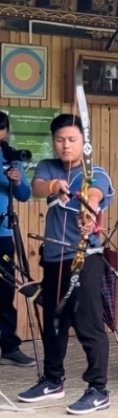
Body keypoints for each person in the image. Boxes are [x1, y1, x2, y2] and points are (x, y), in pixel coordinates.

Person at [18, 114, 114, 414]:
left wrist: (90, 212)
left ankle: (98, 389)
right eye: (60, 140)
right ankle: (52, 381)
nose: (65, 145)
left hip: (85, 257)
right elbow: (36, 187)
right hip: (53, 258)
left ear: (84, 143)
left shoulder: (96, 172)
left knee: (87, 323)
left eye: (72, 140)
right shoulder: (48, 167)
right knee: (54, 322)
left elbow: (95, 195)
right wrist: (55, 186)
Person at [0, 111, 35, 367]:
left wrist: (17, 179)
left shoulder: (13, 158)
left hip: (3, 232)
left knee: (4, 292)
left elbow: (24, 195)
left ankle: (9, 347)